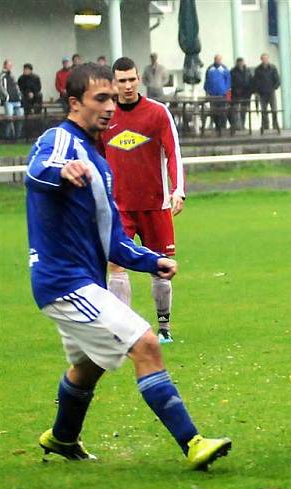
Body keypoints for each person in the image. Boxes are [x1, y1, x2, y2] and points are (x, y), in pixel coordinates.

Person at [25, 62, 230, 469]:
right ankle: (192, 443)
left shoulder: (99, 162)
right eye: (100, 98)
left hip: (82, 280)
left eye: (112, 99)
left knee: (88, 366)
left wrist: (151, 260)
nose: (109, 107)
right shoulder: (60, 140)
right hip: (64, 282)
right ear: (74, 103)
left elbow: (113, 240)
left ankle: (63, 437)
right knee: (146, 344)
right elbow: (35, 172)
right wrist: (61, 172)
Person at [102, 56, 185, 344]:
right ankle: (124, 332)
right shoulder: (105, 116)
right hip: (118, 208)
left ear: (139, 79)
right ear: (114, 83)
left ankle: (164, 328)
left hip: (155, 204)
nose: (127, 85)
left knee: (161, 268)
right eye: (121, 81)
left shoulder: (158, 113)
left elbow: (173, 152)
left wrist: (177, 189)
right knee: (116, 266)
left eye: (131, 79)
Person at [252, 53, 280, 132]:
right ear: (261, 59)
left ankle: (275, 125)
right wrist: (256, 91)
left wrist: (274, 88)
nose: (265, 60)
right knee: (263, 110)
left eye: (266, 58)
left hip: (271, 92)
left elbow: (277, 79)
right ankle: (265, 125)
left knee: (274, 109)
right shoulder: (258, 69)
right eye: (263, 58)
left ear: (268, 59)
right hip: (262, 93)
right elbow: (255, 81)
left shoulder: (273, 68)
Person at [204, 54, 231, 134]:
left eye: (219, 59)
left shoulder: (224, 69)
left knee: (222, 111)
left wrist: (226, 92)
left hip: (222, 95)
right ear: (214, 59)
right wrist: (207, 91)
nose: (218, 61)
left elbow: (228, 81)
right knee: (214, 111)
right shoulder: (210, 69)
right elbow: (207, 81)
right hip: (213, 95)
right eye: (216, 59)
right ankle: (216, 126)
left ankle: (223, 126)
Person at [0, 59, 24, 139]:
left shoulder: (12, 76)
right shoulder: (2, 76)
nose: (10, 67)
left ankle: (18, 136)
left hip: (17, 100)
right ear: (5, 65)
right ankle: (7, 136)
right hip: (9, 101)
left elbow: (16, 87)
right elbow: (1, 87)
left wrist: (19, 96)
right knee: (9, 119)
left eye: (11, 65)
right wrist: (7, 97)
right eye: (9, 65)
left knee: (20, 117)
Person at [18, 63, 43, 138]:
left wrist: (33, 93)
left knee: (39, 95)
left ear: (30, 70)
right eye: (24, 69)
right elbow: (21, 89)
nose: (25, 71)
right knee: (23, 99)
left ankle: (36, 110)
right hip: (25, 98)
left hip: (35, 98)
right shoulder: (21, 78)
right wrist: (27, 93)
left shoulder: (36, 78)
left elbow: (39, 88)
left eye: (27, 69)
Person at [230, 57, 252, 130]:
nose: (240, 64)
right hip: (236, 94)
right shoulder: (233, 71)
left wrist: (251, 91)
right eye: (239, 63)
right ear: (237, 63)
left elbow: (251, 81)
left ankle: (242, 124)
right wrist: (235, 89)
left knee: (244, 110)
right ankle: (236, 125)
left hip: (246, 94)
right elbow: (230, 82)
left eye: (242, 62)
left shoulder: (248, 71)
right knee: (235, 110)